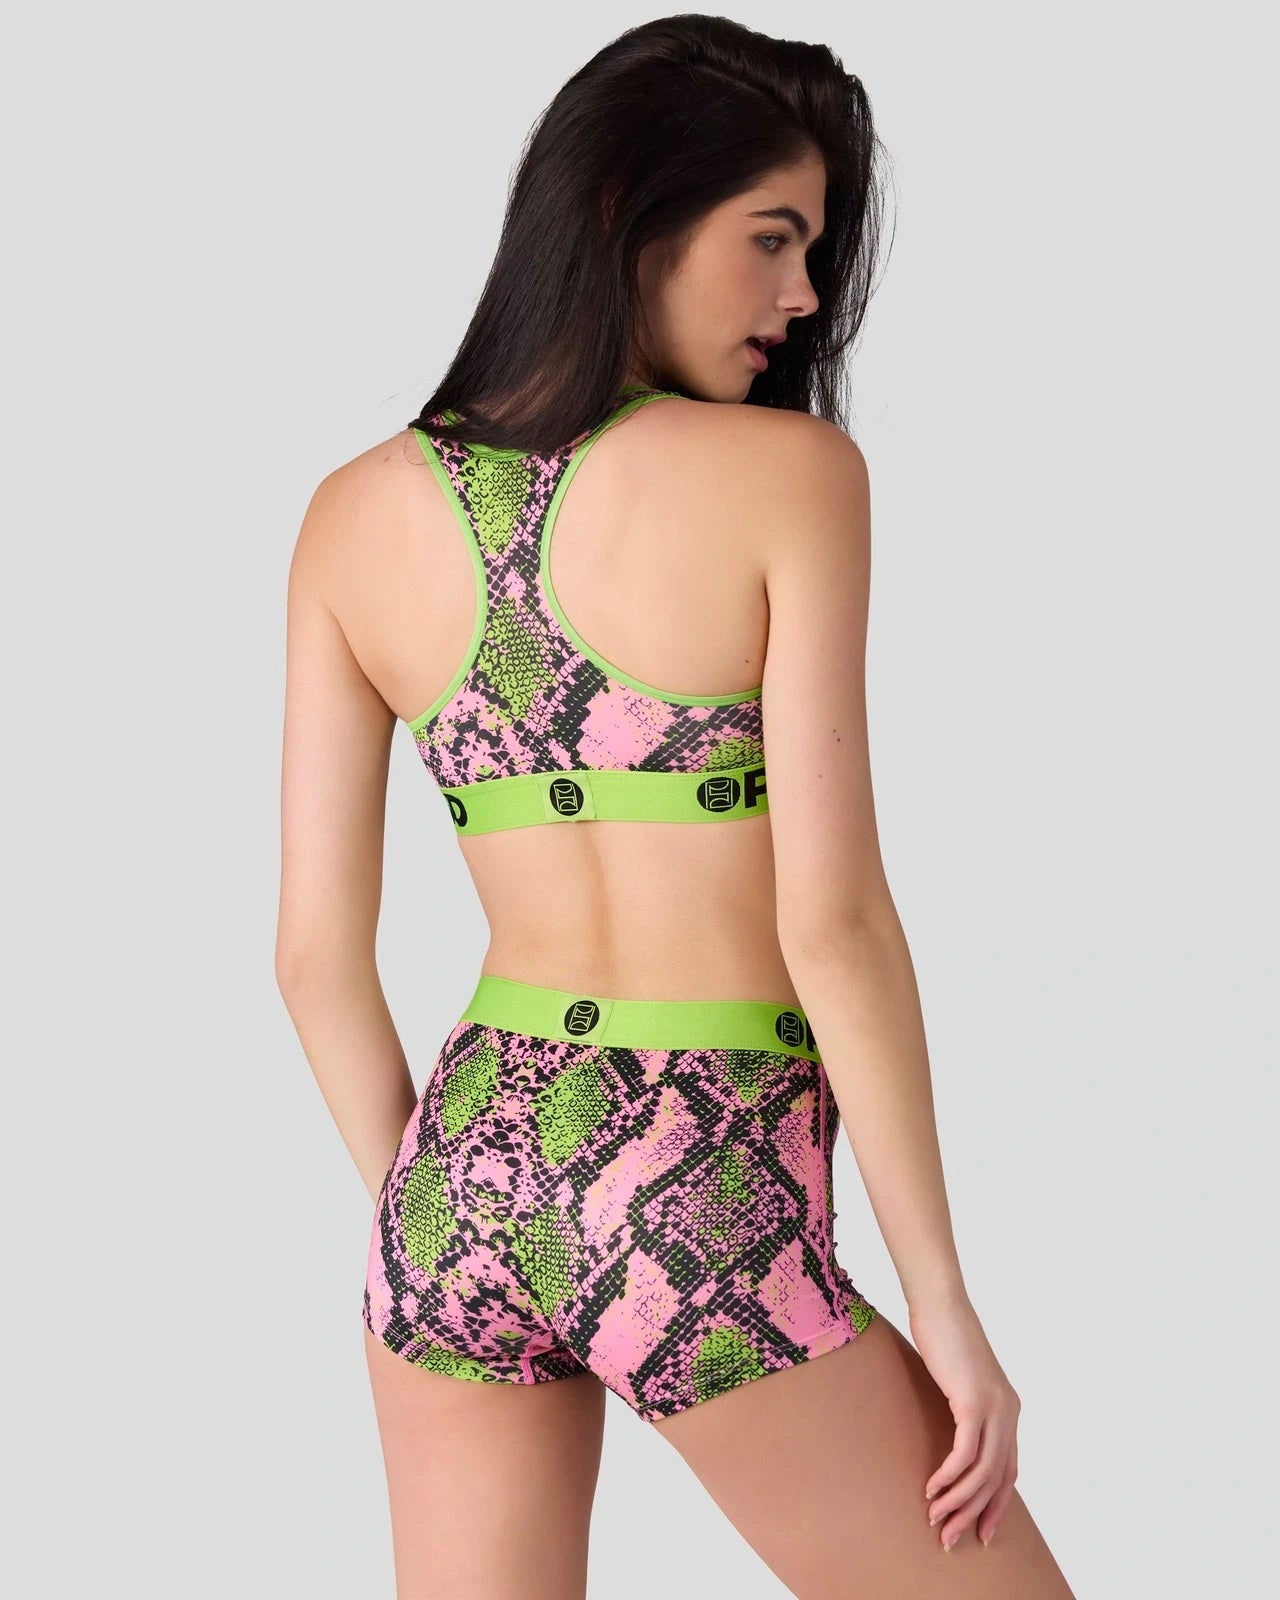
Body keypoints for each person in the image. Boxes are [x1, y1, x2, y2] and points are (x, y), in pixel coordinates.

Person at [276, 14, 1077, 1599]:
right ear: (625, 210)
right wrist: (946, 1304)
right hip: (697, 1170)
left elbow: (312, 958)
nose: (804, 295)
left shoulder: (349, 513)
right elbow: (832, 925)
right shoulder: (791, 478)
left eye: (815, 250)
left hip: (461, 1172)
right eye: (772, 238)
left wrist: (457, 1214)